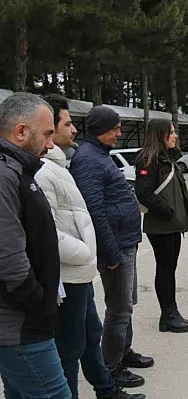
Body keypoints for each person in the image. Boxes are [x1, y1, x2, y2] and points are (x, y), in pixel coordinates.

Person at [34, 95, 145, 399]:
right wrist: (98, 251)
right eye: (67, 124)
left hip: (82, 269)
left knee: (92, 332)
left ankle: (108, 385)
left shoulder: (68, 162)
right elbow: (82, 216)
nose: (74, 130)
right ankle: (111, 370)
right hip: (72, 271)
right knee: (74, 345)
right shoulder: (57, 167)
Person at [71, 106, 153, 388]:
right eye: (115, 128)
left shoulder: (99, 156)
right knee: (119, 308)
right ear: (100, 128)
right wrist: (110, 252)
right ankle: (112, 367)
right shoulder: (88, 160)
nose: (120, 133)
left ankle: (123, 351)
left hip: (125, 242)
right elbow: (94, 210)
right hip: (115, 247)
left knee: (127, 304)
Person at [0, 92, 71, 399]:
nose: (50, 144)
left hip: (23, 324)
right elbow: (9, 258)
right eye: (47, 134)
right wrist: (40, 305)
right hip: (21, 327)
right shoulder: (5, 176)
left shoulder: (18, 171)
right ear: (21, 131)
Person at [135, 119, 188, 332]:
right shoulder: (148, 159)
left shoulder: (166, 157)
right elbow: (144, 193)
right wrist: (168, 212)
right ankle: (168, 315)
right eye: (171, 132)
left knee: (170, 269)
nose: (175, 136)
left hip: (171, 224)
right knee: (165, 268)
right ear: (160, 135)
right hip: (161, 225)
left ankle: (171, 312)